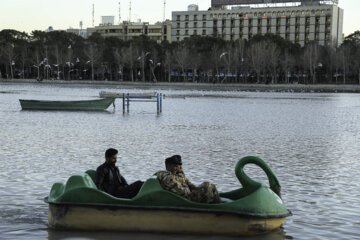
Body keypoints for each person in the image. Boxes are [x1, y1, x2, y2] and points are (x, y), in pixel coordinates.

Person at [156, 155, 221, 204]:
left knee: (211, 186)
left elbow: (190, 185)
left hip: (190, 195)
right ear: (169, 166)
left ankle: (218, 205)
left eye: (179, 165)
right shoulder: (166, 176)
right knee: (207, 185)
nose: (179, 167)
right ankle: (208, 208)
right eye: (176, 165)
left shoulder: (180, 175)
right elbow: (178, 190)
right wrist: (193, 192)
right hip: (184, 198)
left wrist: (198, 190)